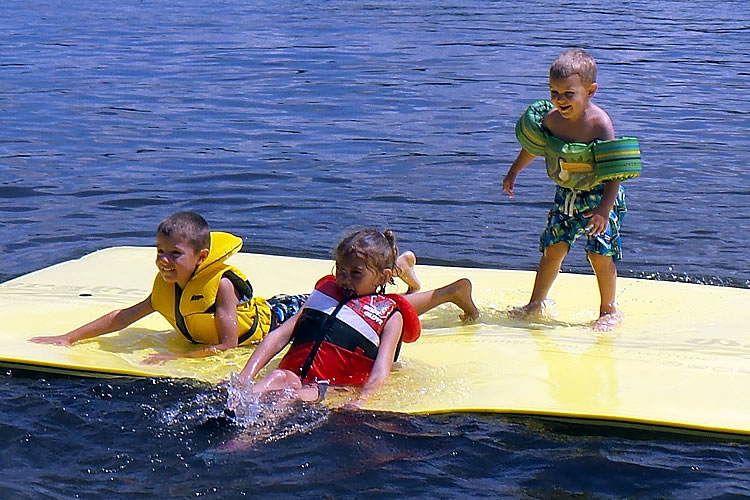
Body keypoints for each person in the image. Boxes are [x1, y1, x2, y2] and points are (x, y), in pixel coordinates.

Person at [236, 228, 480, 407]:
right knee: (278, 378)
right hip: (295, 376)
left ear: (383, 277)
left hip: (331, 387)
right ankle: (235, 430)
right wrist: (243, 379)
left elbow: (380, 370)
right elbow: (278, 336)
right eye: (340, 270)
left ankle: (451, 291)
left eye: (355, 273)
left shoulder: (390, 316)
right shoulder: (326, 293)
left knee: (285, 399)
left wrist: (363, 400)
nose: (344, 279)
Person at [29, 211, 308, 363]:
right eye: (160, 251)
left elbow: (227, 345)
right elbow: (123, 317)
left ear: (201, 257)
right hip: (255, 314)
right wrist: (69, 337)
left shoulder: (222, 286)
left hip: (277, 318)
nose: (163, 260)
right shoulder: (167, 286)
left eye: (175, 254)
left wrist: (178, 357)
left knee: (316, 305)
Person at [502, 49, 642, 331]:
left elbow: (613, 172)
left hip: (601, 196)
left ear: (590, 91)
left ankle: (608, 309)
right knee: (553, 249)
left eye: (569, 93)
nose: (560, 100)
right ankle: (535, 303)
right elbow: (535, 148)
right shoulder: (552, 120)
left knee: (599, 253)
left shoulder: (599, 124)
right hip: (567, 195)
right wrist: (514, 170)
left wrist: (605, 209)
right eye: (554, 92)